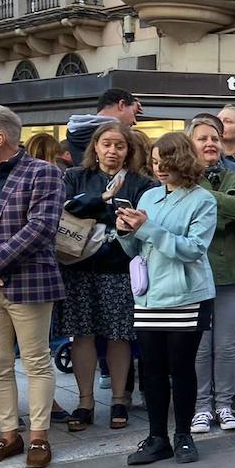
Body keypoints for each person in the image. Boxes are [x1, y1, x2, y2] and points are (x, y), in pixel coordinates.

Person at [0, 105, 66, 468]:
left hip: (29, 282)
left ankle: (39, 437)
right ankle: (9, 435)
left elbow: (41, 226)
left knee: (37, 360)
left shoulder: (43, 173)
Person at [118, 132, 218, 466]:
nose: (159, 169)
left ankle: (184, 435)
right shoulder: (147, 197)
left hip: (187, 294)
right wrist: (124, 232)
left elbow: (193, 249)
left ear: (183, 161)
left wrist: (145, 229)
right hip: (149, 295)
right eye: (156, 162)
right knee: (153, 370)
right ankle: (157, 437)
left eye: (167, 162)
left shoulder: (203, 200)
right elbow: (135, 250)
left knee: (181, 368)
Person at [56, 120, 156, 432]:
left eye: (119, 145)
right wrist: (101, 201)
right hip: (78, 267)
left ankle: (118, 399)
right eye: (106, 144)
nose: (112, 150)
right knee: (81, 335)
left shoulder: (140, 182)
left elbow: (138, 219)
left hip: (120, 267)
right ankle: (85, 401)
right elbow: (65, 211)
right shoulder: (75, 176)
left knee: (119, 334)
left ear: (129, 151)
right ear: (95, 147)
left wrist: (98, 212)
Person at [186, 114, 235, 434]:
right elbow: (184, 222)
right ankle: (202, 406)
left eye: (215, 138)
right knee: (201, 345)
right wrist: (226, 206)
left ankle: (224, 405)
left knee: (227, 345)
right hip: (196, 274)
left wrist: (205, 203)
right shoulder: (181, 179)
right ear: (191, 145)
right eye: (202, 138)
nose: (210, 143)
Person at [65, 88, 142, 166]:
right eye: (134, 113)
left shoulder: (74, 131)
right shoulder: (118, 136)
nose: (135, 122)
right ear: (121, 105)